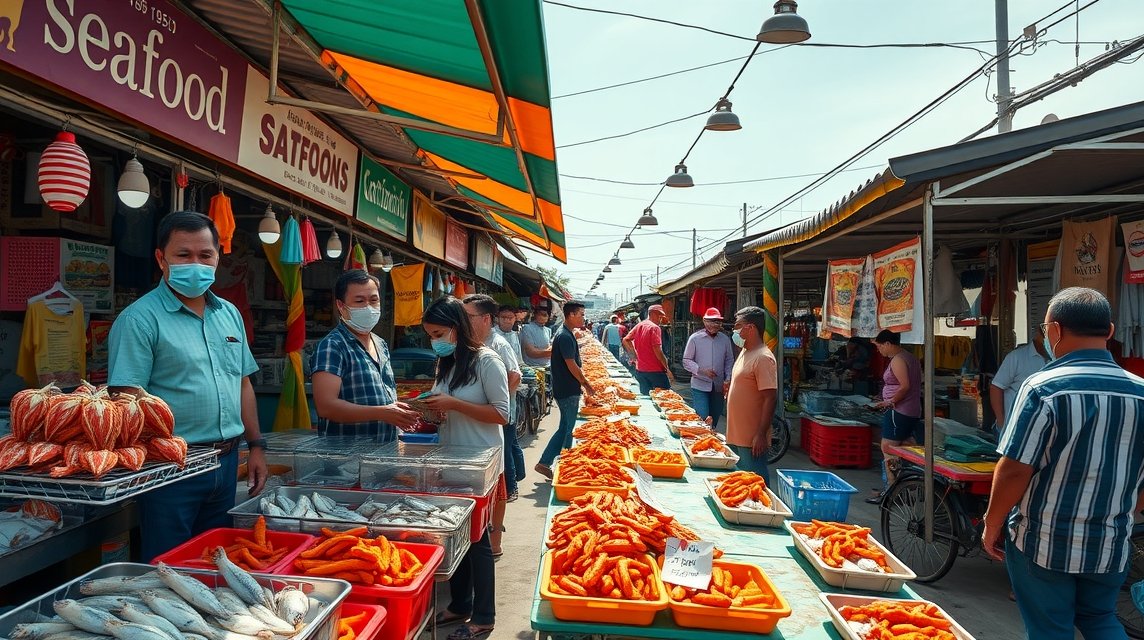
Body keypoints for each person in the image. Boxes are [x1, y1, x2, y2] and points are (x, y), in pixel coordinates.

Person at [982, 287, 1144, 640]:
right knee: (1100, 619)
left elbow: (1014, 469)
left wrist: (992, 523)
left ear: (1054, 330)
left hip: (1044, 541)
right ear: (1111, 331)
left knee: (1049, 628)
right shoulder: (1140, 392)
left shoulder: (1044, 387)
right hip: (1110, 542)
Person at [108, 211, 268, 561]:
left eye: (205, 255)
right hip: (170, 470)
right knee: (169, 567)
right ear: (161, 258)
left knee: (214, 562)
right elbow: (125, 403)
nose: (196, 263)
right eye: (184, 255)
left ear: (217, 259)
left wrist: (256, 446)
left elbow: (242, 383)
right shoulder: (139, 319)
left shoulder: (229, 313)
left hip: (225, 463)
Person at [420, 297, 508, 640]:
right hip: (450, 458)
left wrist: (454, 403)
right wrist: (433, 411)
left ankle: (484, 615)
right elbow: (445, 406)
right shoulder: (446, 362)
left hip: (480, 461)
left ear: (457, 327)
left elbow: (503, 413)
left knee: (478, 540)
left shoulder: (488, 361)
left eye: (439, 332)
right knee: (455, 534)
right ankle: (460, 604)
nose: (435, 339)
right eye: (430, 334)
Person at [311, 270, 419, 439]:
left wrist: (396, 410)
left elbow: (380, 399)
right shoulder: (333, 346)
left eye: (373, 300)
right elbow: (326, 406)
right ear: (341, 306)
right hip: (347, 458)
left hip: (384, 453)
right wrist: (382, 412)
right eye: (359, 301)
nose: (368, 307)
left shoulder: (381, 344)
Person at [462, 294, 521, 557]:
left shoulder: (496, 345)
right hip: (474, 429)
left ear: (486, 319)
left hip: (494, 421)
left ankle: (494, 539)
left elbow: (515, 375)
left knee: (501, 470)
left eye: (468, 317)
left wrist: (495, 400)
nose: (462, 322)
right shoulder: (467, 345)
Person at [534, 301, 595, 480]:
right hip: (567, 389)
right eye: (581, 314)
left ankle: (546, 462)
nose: (584, 318)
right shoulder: (565, 336)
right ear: (571, 315)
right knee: (568, 429)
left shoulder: (565, 333)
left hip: (565, 387)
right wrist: (586, 384)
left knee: (565, 427)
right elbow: (572, 365)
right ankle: (566, 466)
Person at [867, 330, 923, 504]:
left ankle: (891, 491)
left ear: (888, 344)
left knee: (888, 449)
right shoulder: (910, 357)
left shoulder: (898, 360)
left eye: (879, 346)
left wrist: (890, 402)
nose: (878, 350)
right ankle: (905, 489)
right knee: (906, 448)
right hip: (911, 410)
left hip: (899, 411)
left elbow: (905, 386)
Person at [725, 306, 778, 485]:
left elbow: (770, 397)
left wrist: (761, 434)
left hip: (751, 437)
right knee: (742, 482)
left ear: (751, 328)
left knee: (755, 483)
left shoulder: (763, 358)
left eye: (737, 326)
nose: (734, 330)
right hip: (737, 433)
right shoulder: (746, 352)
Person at [989, 325, 1049, 436]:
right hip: (1014, 429)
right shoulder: (1017, 357)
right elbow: (996, 387)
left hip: (1043, 430)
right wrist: (1002, 423)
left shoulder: (1057, 358)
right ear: (1039, 335)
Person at [682, 308, 735, 430]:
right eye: (711, 321)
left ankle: (710, 442)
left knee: (715, 418)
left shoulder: (724, 339)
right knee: (703, 417)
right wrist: (701, 370)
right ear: (704, 321)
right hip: (699, 384)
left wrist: (727, 378)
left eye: (717, 322)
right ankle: (701, 441)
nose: (715, 325)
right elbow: (686, 360)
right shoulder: (695, 338)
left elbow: (729, 360)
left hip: (718, 386)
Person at [622, 304, 675, 394]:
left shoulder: (640, 325)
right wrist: (667, 369)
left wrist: (634, 357)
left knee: (646, 398)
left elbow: (626, 340)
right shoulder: (654, 328)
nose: (660, 318)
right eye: (659, 315)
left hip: (640, 371)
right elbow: (658, 350)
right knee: (664, 398)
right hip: (655, 371)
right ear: (652, 314)